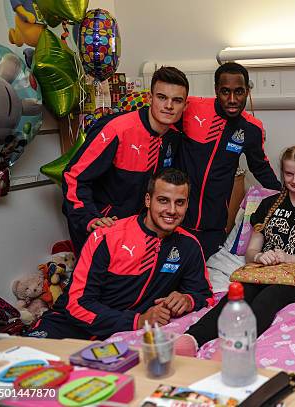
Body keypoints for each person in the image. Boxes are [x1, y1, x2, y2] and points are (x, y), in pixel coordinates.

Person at [186, 146, 295, 346]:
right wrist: (260, 257)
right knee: (237, 295)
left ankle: (236, 345)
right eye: (289, 174)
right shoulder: (268, 205)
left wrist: (289, 258)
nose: (294, 180)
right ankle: (192, 338)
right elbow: (251, 251)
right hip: (265, 270)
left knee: (268, 298)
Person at [28, 168, 213, 340]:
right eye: (163, 200)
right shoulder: (107, 236)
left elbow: (204, 294)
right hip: (70, 327)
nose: (172, 210)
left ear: (187, 204)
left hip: (122, 338)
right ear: (148, 200)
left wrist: (187, 300)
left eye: (179, 202)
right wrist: (137, 321)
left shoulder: (189, 245)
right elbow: (77, 304)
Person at [62, 66, 189, 254]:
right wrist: (89, 218)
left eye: (176, 100)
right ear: (150, 98)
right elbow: (73, 177)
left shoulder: (174, 137)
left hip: (139, 234)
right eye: (162, 97)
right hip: (103, 228)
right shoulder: (116, 129)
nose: (169, 106)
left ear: (185, 106)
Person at [176, 62, 281, 259]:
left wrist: (285, 196)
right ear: (216, 90)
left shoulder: (252, 128)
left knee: (207, 274)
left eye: (239, 92)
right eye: (225, 92)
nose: (232, 99)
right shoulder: (191, 107)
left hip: (213, 223)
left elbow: (260, 167)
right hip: (176, 216)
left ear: (247, 91)